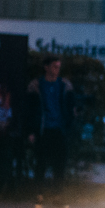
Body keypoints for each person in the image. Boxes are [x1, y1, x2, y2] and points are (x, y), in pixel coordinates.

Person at [25, 55, 76, 185]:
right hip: (44, 129)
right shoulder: (36, 86)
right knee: (41, 162)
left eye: (58, 67)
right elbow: (30, 110)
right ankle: (39, 194)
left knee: (60, 164)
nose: (57, 69)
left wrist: (69, 126)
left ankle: (57, 195)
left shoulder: (64, 86)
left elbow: (70, 109)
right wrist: (31, 131)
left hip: (59, 129)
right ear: (46, 67)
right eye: (54, 66)